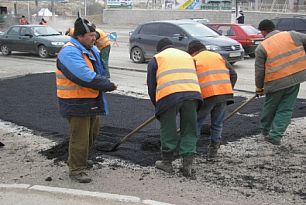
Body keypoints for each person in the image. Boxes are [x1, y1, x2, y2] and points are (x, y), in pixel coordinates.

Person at [56, 17, 117, 183]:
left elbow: (99, 68)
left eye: (94, 35)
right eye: (90, 35)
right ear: (79, 36)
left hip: (90, 99)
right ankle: (76, 169)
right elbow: (83, 75)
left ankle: (81, 160)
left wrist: (103, 81)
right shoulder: (69, 52)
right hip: (75, 102)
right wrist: (106, 84)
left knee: (92, 133)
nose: (94, 38)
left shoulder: (90, 48)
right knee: (80, 137)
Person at [147, 38, 202, 178]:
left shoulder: (157, 58)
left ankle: (167, 162)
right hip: (192, 95)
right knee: (190, 129)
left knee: (168, 129)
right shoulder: (188, 56)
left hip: (168, 97)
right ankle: (187, 164)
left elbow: (151, 85)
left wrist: (157, 105)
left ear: (160, 49)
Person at [255, 19, 306, 145]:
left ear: (263, 31)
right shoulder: (292, 35)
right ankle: (275, 136)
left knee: (270, 106)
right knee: (286, 108)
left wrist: (259, 87)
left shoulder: (262, 47)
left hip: (275, 81)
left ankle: (265, 131)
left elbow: (259, 71)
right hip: (295, 78)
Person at [187, 40, 237, 161]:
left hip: (206, 96)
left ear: (193, 52)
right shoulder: (218, 56)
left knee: (196, 124)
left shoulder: (194, 60)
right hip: (224, 94)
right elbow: (233, 74)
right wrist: (227, 89)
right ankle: (213, 153)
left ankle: (190, 153)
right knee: (217, 124)